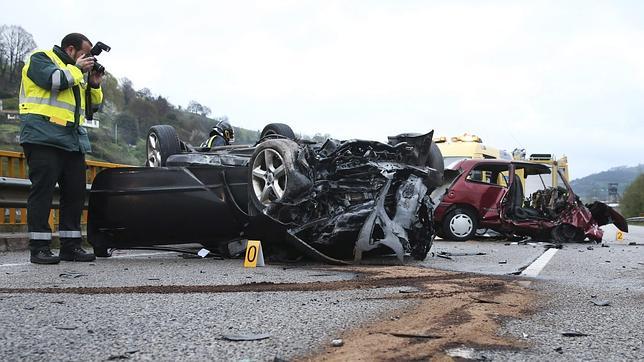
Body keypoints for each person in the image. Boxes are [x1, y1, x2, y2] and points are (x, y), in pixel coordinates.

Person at [19, 33, 104, 264]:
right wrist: (78, 70)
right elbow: (54, 81)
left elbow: (91, 108)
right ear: (70, 50)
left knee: (75, 194)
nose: (88, 60)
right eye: (85, 55)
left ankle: (71, 247)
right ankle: (39, 248)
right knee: (43, 192)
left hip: (71, 140)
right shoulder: (41, 59)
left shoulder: (75, 73)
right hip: (42, 137)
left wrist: (94, 84)